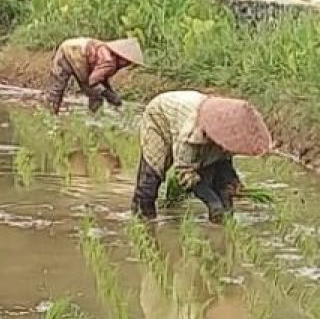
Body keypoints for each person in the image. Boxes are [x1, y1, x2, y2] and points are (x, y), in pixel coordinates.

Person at [132, 91, 271, 223]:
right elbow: (184, 173)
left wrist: (233, 182)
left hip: (193, 112)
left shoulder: (229, 129)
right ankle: (143, 218)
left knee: (219, 180)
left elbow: (223, 164)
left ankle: (222, 224)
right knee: (150, 178)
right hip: (160, 116)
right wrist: (212, 201)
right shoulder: (191, 135)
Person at [46, 37, 144, 115]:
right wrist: (108, 95)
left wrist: (110, 92)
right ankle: (50, 116)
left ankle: (93, 121)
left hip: (80, 58)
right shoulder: (108, 61)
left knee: (95, 94)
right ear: (123, 58)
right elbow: (93, 81)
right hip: (68, 53)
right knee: (58, 89)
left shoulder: (107, 55)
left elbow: (101, 78)